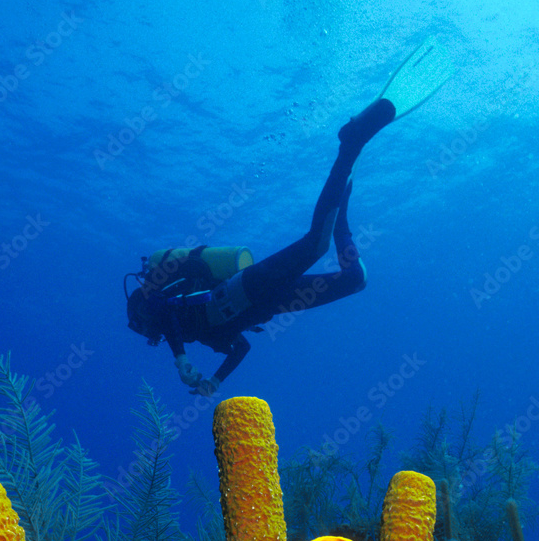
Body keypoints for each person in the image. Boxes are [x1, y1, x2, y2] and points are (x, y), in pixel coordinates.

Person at [126, 38, 452, 396]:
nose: (147, 334)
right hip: (269, 305)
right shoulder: (198, 332)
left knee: (315, 245)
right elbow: (242, 347)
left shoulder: (165, 310)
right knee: (354, 279)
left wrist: (180, 359)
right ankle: (341, 212)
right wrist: (214, 381)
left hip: (244, 288)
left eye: (141, 327)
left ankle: (350, 143)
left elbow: (167, 317)